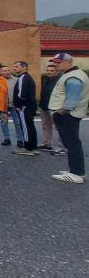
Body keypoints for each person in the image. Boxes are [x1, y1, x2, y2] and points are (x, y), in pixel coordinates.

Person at [48, 53, 89, 184]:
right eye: (55, 62)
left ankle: (77, 173)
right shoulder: (72, 74)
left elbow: (71, 100)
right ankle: (75, 170)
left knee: (72, 144)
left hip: (67, 116)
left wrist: (60, 112)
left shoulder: (73, 77)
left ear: (69, 62)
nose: (56, 64)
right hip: (69, 115)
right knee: (72, 143)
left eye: (59, 62)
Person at [11, 61, 38, 156]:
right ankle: (33, 146)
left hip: (24, 107)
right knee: (30, 126)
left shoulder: (23, 78)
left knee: (26, 127)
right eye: (14, 66)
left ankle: (28, 148)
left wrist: (18, 105)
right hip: (29, 106)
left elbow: (21, 94)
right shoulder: (27, 77)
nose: (14, 68)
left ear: (24, 67)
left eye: (17, 66)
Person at [38, 64, 65, 154]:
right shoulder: (45, 79)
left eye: (51, 71)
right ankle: (47, 144)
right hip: (44, 106)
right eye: (48, 70)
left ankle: (62, 147)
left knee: (59, 127)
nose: (49, 72)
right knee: (45, 126)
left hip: (55, 108)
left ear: (57, 72)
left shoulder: (61, 81)